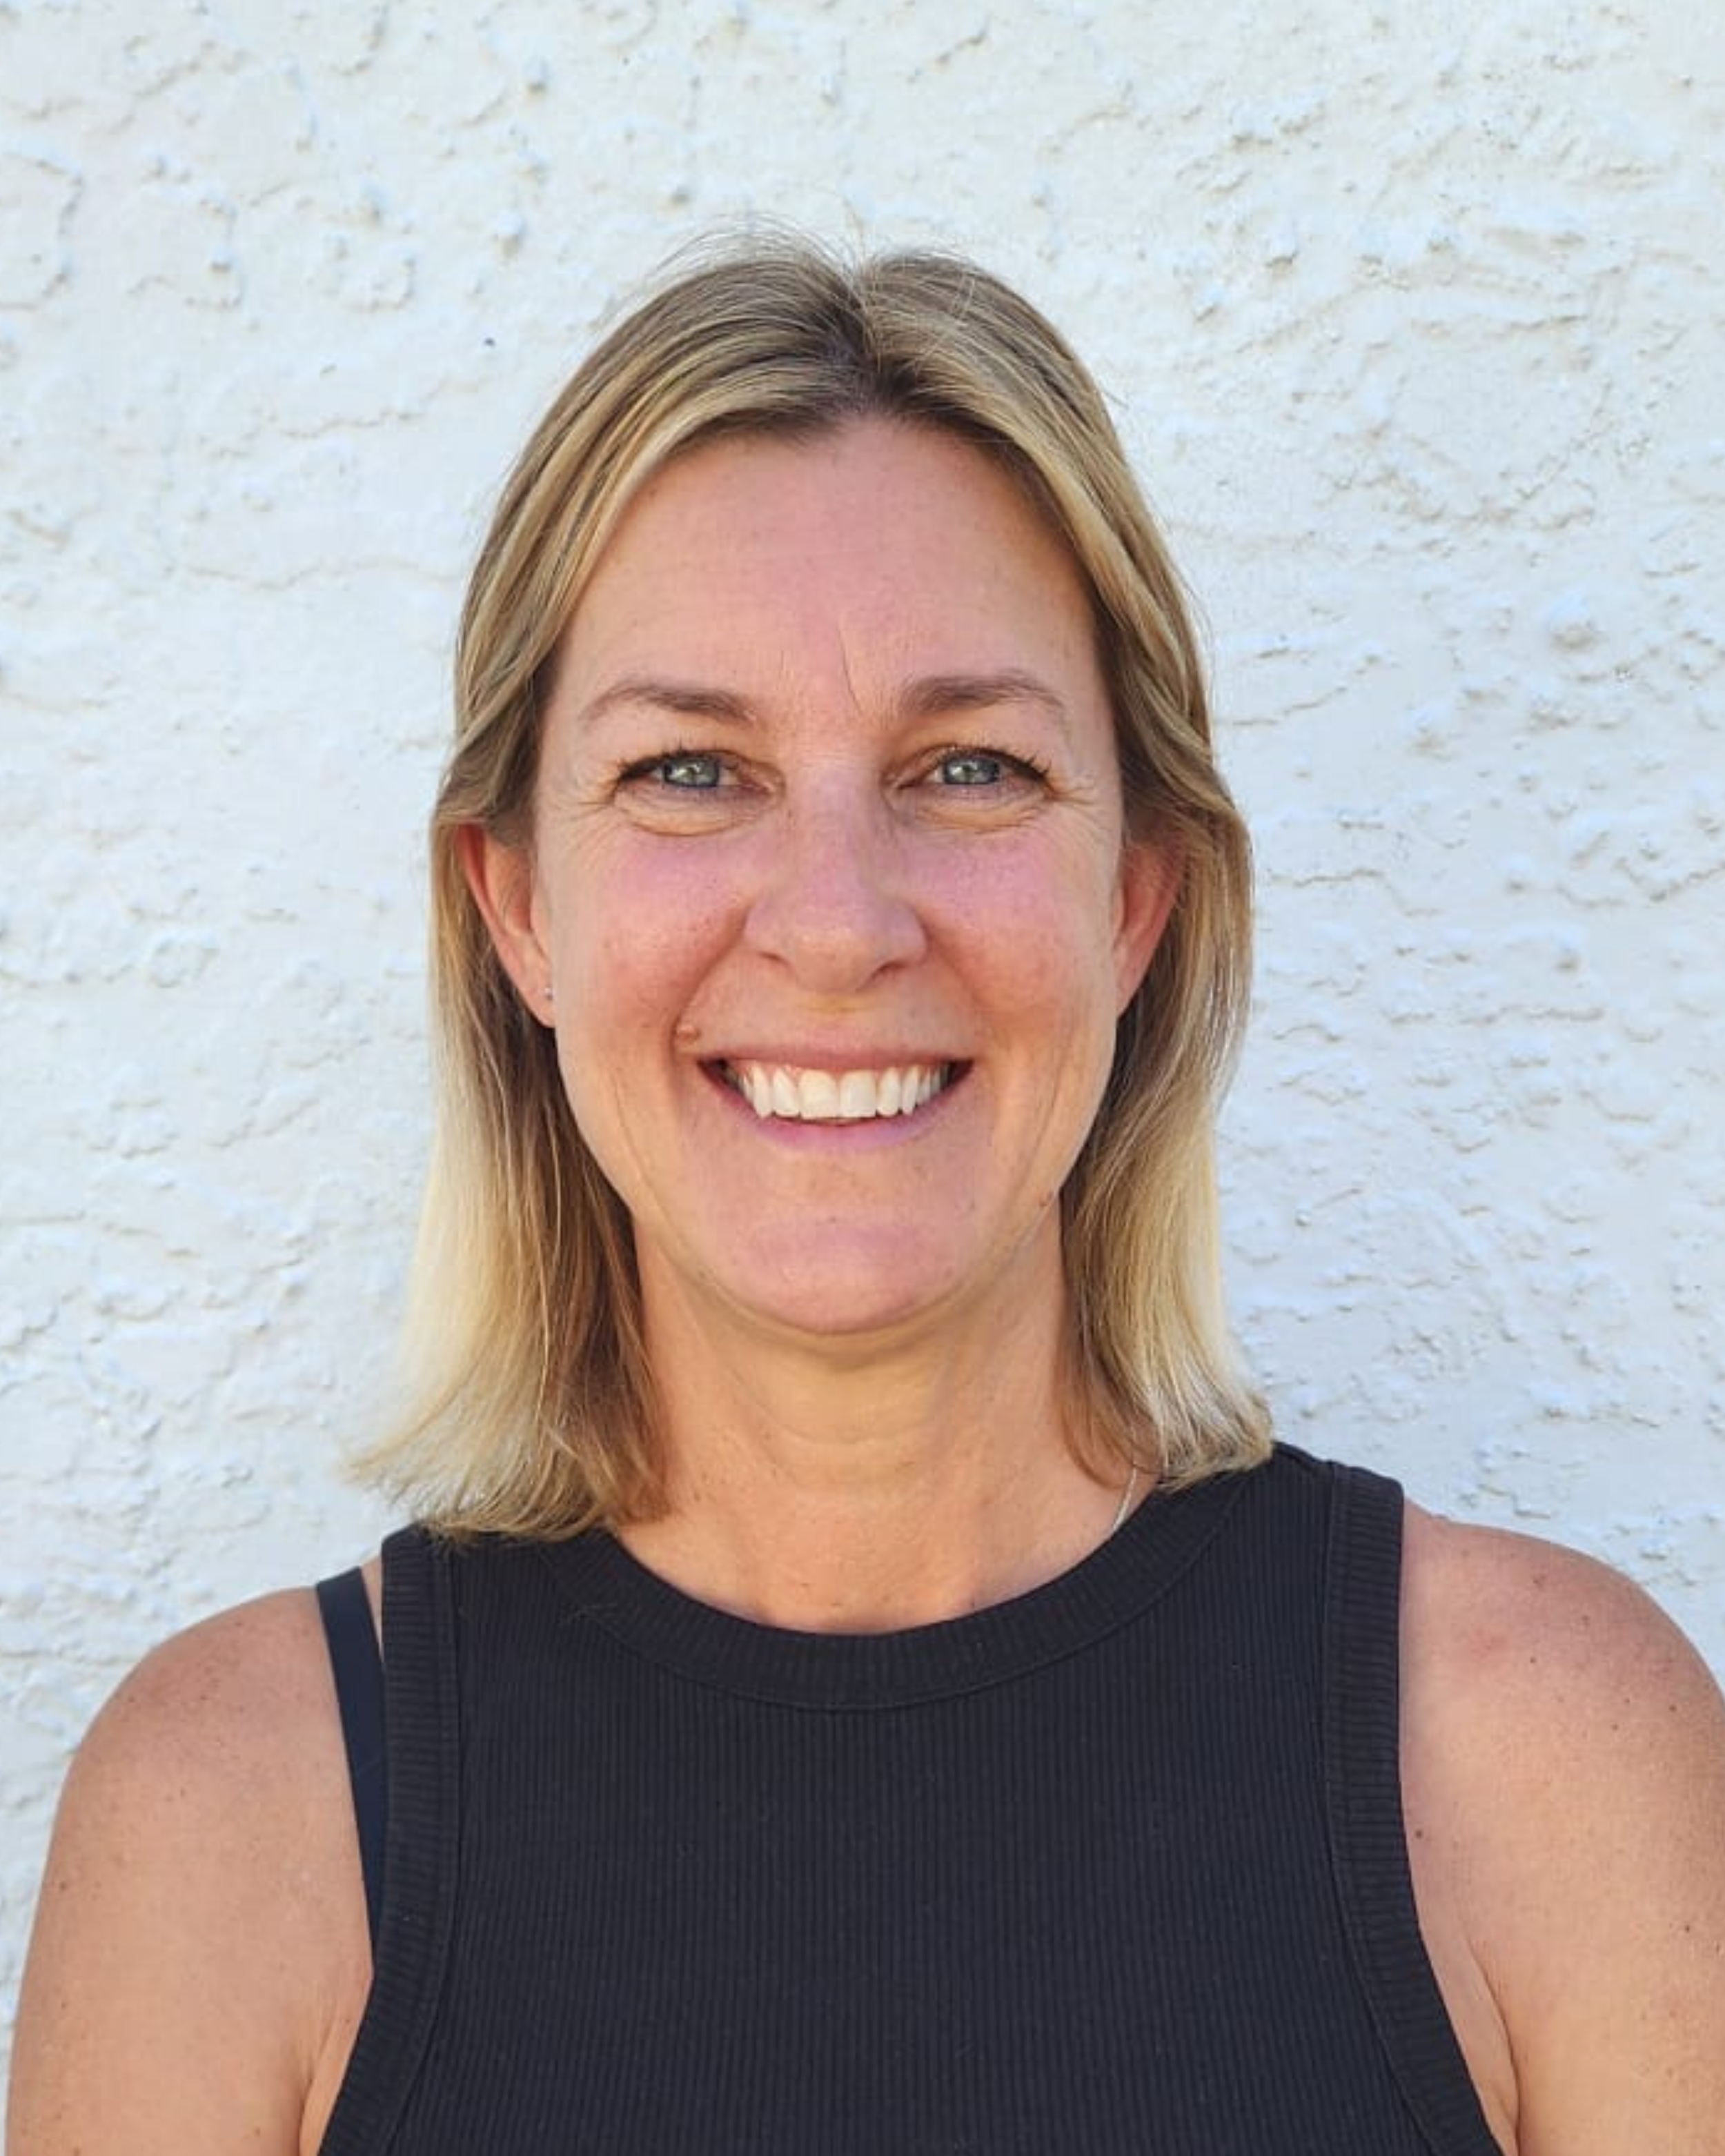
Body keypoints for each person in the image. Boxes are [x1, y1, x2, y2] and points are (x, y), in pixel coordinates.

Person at [10, 237, 1725, 2156]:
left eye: (969, 766)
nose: (836, 924)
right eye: (689, 770)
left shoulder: (1543, 1766)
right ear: (517, 910)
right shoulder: (236, 1822)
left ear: (1134, 900)